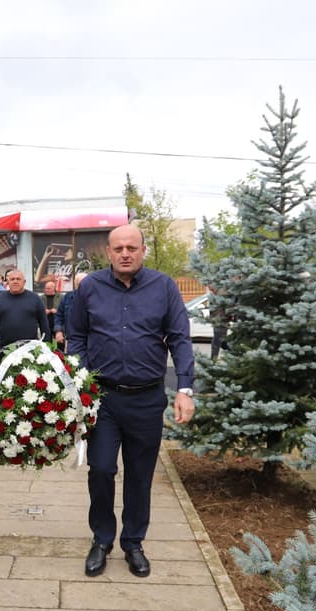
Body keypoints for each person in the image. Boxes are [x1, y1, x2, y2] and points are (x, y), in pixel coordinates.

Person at [67, 224, 195, 578]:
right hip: (103, 400)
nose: (126, 253)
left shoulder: (164, 287)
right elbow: (76, 336)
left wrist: (185, 389)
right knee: (103, 468)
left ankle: (133, 542)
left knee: (140, 475)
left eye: (132, 248)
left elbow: (180, 338)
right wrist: (77, 380)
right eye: (118, 248)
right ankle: (102, 538)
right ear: (108, 252)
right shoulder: (90, 288)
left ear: (143, 251)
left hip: (146, 399)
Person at [0, 268, 49, 348]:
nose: (15, 281)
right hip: (6, 349)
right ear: (8, 282)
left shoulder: (35, 298)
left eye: (18, 279)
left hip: (30, 349)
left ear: (24, 282)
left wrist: (47, 345)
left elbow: (44, 324)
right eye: (12, 279)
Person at [53, 272, 87, 351]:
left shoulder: (94, 298)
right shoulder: (67, 297)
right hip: (72, 340)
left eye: (85, 284)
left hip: (91, 340)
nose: (82, 287)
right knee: (72, 362)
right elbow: (58, 316)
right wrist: (58, 331)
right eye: (79, 284)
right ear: (75, 285)